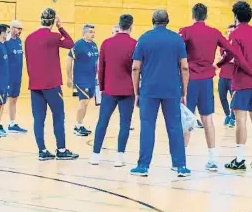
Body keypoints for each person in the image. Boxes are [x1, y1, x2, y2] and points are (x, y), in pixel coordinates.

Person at [179, 3, 252, 171]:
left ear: (193, 15)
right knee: (207, 120)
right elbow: (232, 50)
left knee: (186, 120)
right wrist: (219, 63)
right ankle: (212, 159)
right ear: (206, 16)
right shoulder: (214, 32)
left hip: (189, 81)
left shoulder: (186, 31)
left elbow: (176, 48)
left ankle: (181, 161)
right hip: (206, 81)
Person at [130, 10, 191, 177]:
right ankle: (180, 166)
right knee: (174, 127)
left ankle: (143, 166)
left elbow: (135, 67)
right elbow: (184, 67)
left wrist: (137, 92)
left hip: (149, 90)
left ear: (152, 21)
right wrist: (184, 91)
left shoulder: (144, 38)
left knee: (147, 126)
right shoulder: (177, 39)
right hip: (172, 89)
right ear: (168, 21)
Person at [217, 1, 252, 170]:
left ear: (235, 16)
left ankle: (240, 160)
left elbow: (237, 58)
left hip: (242, 82)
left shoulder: (235, 35)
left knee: (240, 120)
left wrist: (251, 73)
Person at [25, 8, 78, 160]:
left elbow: (28, 60)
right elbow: (70, 43)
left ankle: (42, 151)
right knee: (58, 116)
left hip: (35, 84)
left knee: (39, 119)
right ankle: (61, 150)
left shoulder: (29, 38)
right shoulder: (54, 36)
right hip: (52, 84)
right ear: (53, 21)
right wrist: (60, 27)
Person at [90, 15, 136, 167]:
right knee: (125, 124)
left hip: (109, 89)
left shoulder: (106, 43)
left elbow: (100, 68)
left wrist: (102, 88)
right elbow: (137, 69)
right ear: (130, 26)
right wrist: (137, 90)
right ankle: (119, 157)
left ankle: (95, 155)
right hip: (128, 90)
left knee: (102, 122)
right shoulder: (135, 44)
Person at [66, 24, 99, 136]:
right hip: (81, 79)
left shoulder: (94, 45)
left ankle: (80, 124)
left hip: (91, 79)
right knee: (83, 101)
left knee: (86, 103)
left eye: (93, 32)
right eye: (90, 32)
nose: (92, 34)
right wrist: (69, 77)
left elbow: (96, 62)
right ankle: (77, 126)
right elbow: (69, 59)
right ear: (84, 33)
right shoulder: (79, 45)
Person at [5, 20, 27, 133]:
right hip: (8, 76)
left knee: (14, 99)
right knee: (1, 101)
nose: (20, 31)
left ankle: (12, 123)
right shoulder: (6, 41)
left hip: (17, 76)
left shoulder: (19, 41)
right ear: (12, 28)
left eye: (21, 29)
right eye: (18, 29)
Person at [217, 24, 236, 128]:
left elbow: (236, 60)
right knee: (222, 96)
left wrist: (228, 59)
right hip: (223, 76)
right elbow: (222, 58)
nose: (229, 33)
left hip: (233, 77)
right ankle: (227, 115)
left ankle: (233, 118)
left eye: (231, 31)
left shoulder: (238, 45)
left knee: (234, 98)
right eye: (228, 31)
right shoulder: (223, 45)